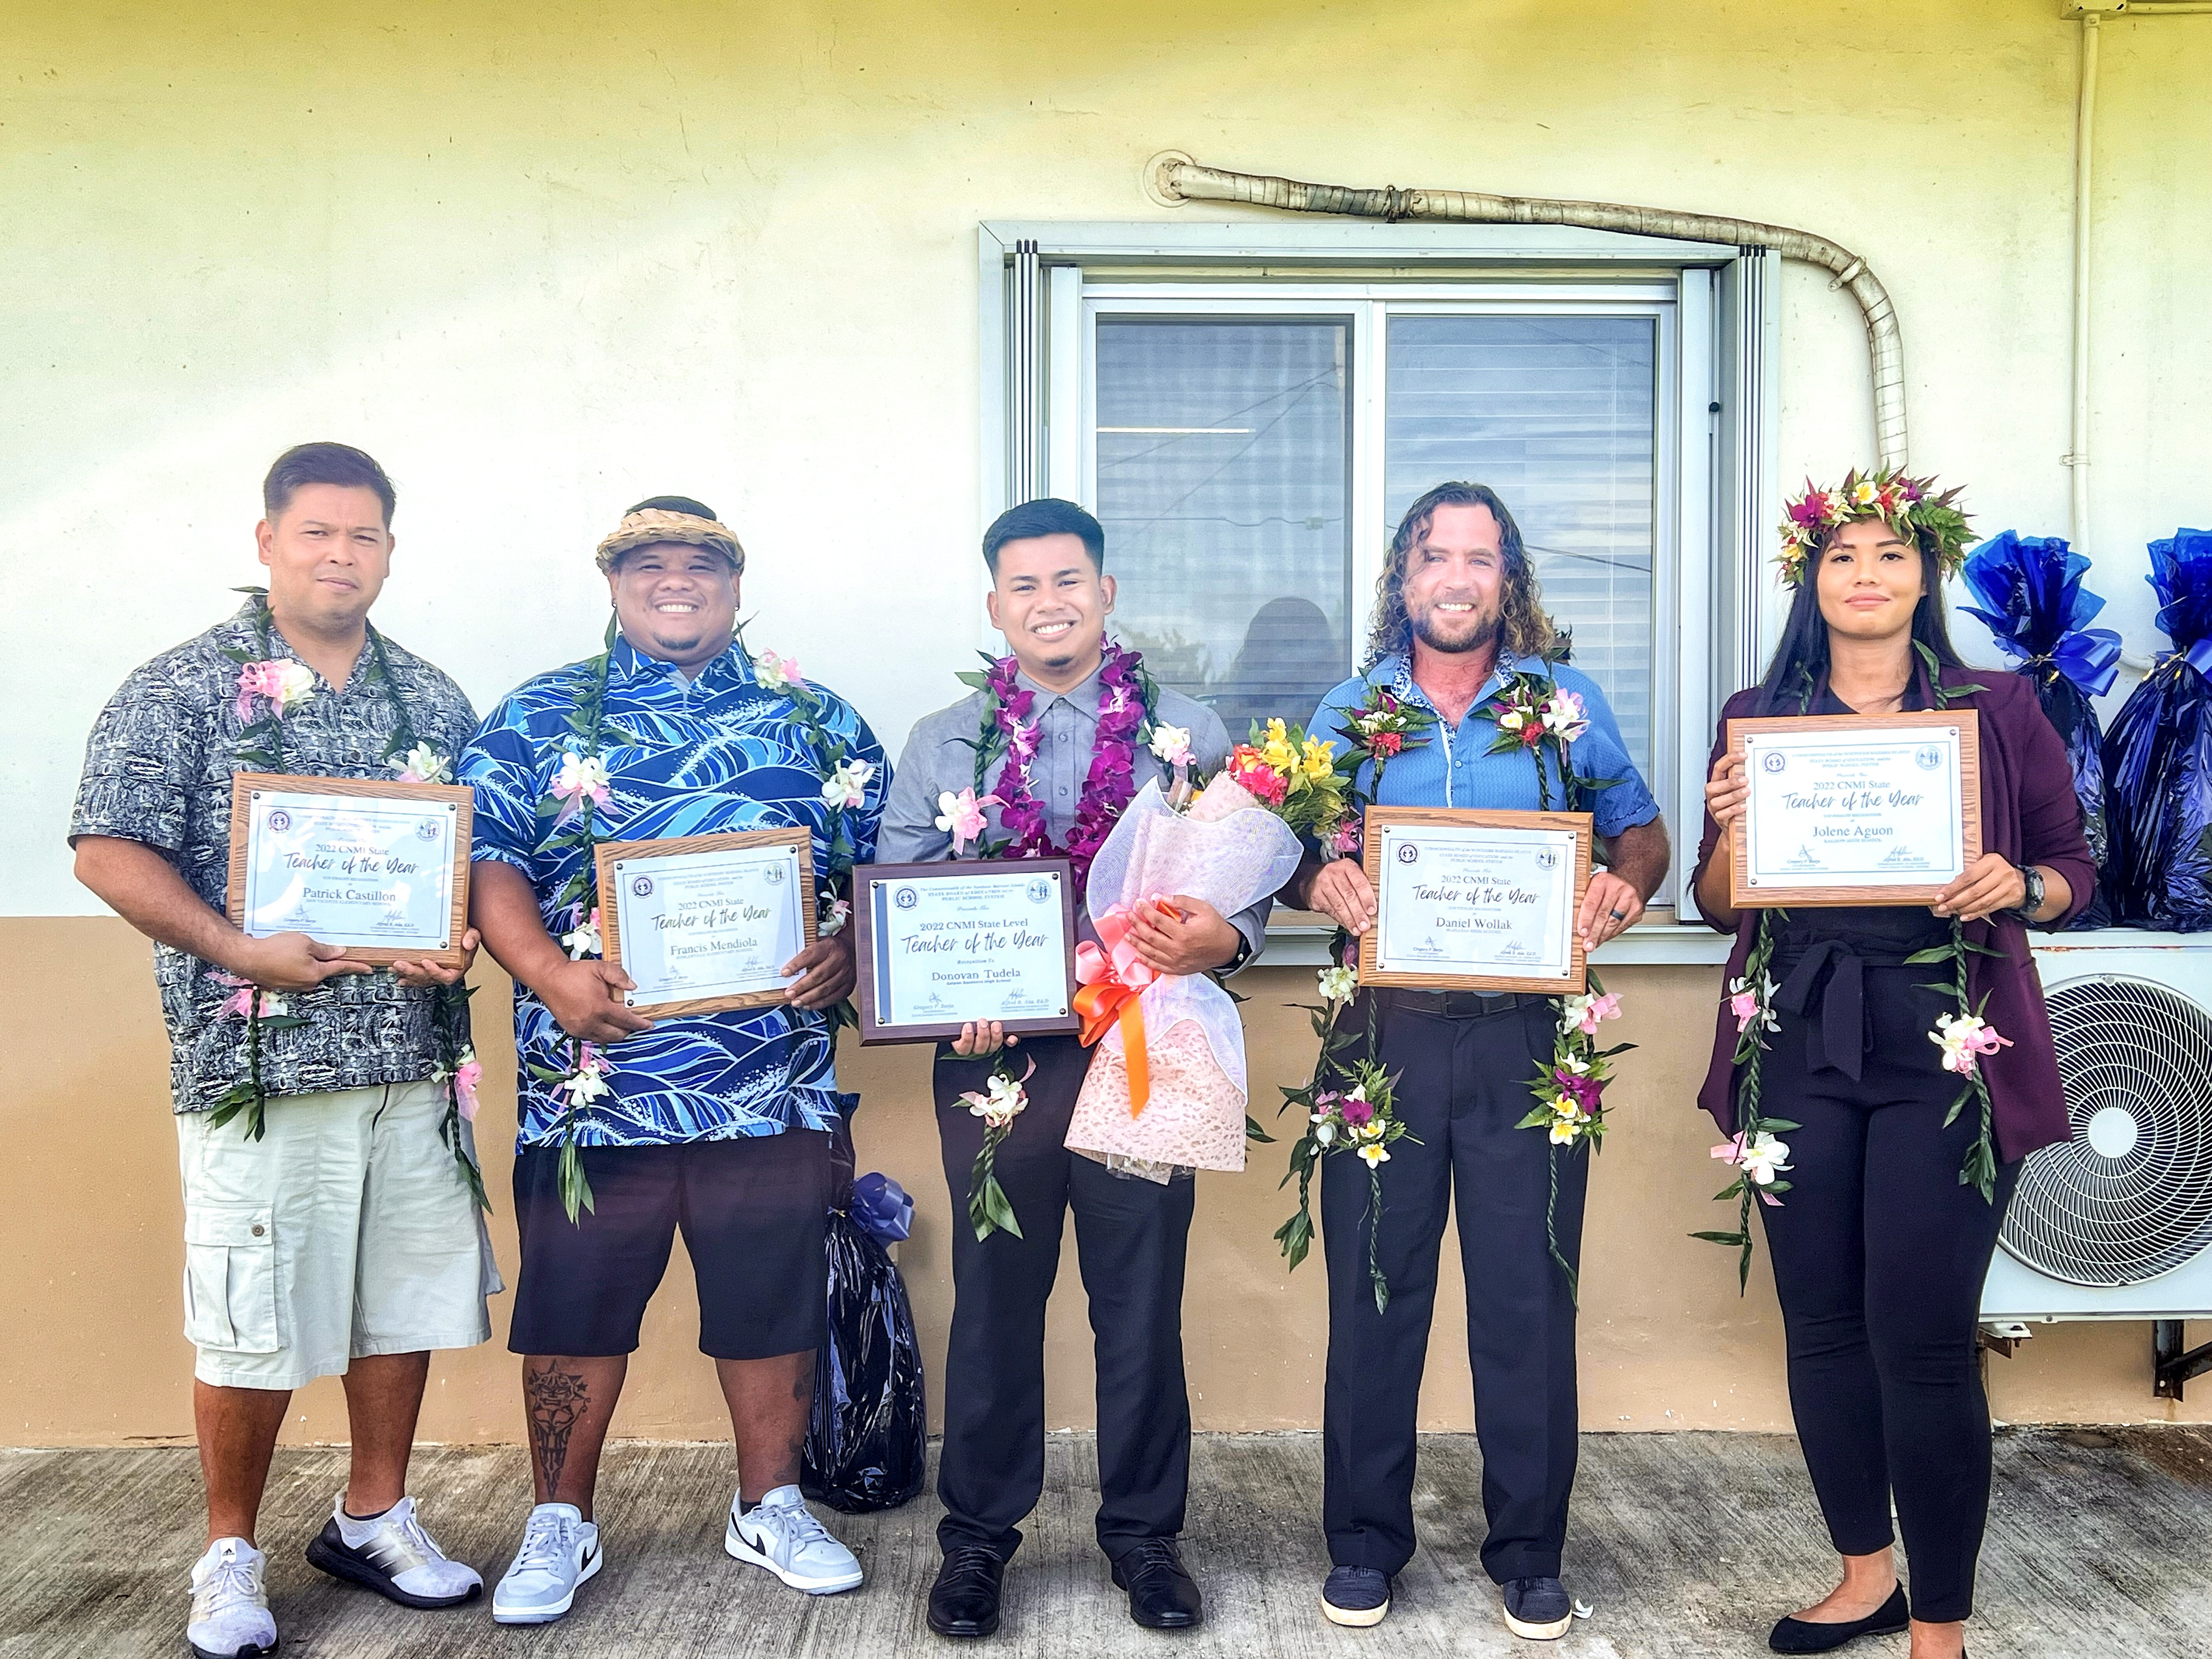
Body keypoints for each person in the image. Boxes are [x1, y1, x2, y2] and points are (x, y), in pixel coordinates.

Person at [71, 442, 496, 1659]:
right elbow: (108, 849)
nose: (339, 555)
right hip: (258, 1070)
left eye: (363, 536)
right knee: (250, 1317)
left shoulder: (432, 699)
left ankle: (373, 1517)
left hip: (408, 1061)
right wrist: (235, 947)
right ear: (266, 541)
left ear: (390, 552)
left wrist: (450, 937)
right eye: (316, 532)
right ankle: (228, 1553)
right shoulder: (184, 688)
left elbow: (459, 871)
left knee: (398, 1302)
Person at [459, 496, 887, 1624]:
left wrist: (855, 949)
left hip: (768, 1080)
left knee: (769, 1302)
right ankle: (559, 1520)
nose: (676, 581)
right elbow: (487, 861)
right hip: (594, 1092)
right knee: (572, 1309)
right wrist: (550, 972)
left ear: (737, 586)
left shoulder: (814, 716)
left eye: (701, 563)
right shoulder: (539, 714)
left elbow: (885, 872)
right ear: (613, 583)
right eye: (648, 564)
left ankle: (771, 1502)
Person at [1692, 472, 2093, 1659]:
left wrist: (2018, 885)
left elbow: (2075, 870)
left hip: (1949, 1045)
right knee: (1819, 1322)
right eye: (1842, 558)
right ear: (1809, 581)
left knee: (1919, 1336)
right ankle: (1864, 1573)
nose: (1866, 576)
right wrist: (1730, 828)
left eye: (1891, 557)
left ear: (1927, 578)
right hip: (1796, 1040)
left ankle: (1941, 1622)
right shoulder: (1758, 713)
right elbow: (1719, 906)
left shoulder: (2000, 705)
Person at [878, 497, 1272, 1638]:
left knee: (1140, 1304)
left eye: (1069, 581)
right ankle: (979, 1542)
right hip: (995, 1063)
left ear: (1107, 593)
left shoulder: (1186, 732)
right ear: (994, 605)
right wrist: (939, 1002)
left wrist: (1227, 939)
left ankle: (1145, 1537)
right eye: (1024, 586)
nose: (1048, 603)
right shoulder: (940, 742)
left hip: (1148, 1046)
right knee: (997, 1302)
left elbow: (1242, 896)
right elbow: (898, 897)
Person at [1286, 481, 1668, 1638]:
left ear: (1511, 581)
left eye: (1482, 559)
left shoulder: (1563, 701)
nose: (1458, 578)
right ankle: (1362, 1542)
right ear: (1404, 577)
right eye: (1436, 557)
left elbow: (1643, 830)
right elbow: (1284, 852)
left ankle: (1529, 1552)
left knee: (1526, 1301)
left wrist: (1626, 885)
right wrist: (1320, 881)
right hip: (1381, 1042)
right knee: (1373, 1295)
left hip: (1526, 1046)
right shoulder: (1349, 713)